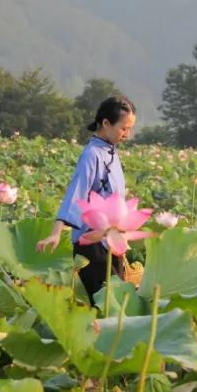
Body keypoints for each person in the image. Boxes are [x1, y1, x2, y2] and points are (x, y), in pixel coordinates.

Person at [37, 96, 136, 301]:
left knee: (117, 302)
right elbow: (76, 193)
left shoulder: (111, 152)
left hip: (111, 240)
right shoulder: (91, 155)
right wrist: (56, 232)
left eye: (129, 129)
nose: (127, 134)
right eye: (124, 128)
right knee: (106, 302)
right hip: (91, 244)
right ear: (106, 123)